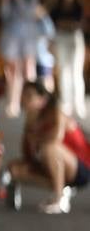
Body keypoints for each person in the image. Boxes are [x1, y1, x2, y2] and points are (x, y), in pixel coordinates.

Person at [10, 82, 90, 214]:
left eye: (29, 96)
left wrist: (35, 135)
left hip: (80, 168)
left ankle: (59, 199)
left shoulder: (57, 113)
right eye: (23, 96)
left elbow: (54, 140)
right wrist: (29, 131)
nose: (23, 100)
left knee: (49, 148)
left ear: (43, 100)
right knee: (15, 169)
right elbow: (28, 156)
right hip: (54, 166)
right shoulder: (31, 120)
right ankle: (63, 188)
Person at [0, 0, 47, 117]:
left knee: (28, 71)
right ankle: (13, 103)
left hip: (28, 39)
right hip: (12, 39)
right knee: (13, 72)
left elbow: (29, 13)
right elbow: (3, 14)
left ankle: (31, 101)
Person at [48, 0, 85, 121]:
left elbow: (78, 23)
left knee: (76, 71)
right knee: (64, 71)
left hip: (74, 38)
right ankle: (66, 103)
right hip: (60, 38)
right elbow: (53, 23)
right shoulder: (56, 7)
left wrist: (66, 24)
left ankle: (78, 104)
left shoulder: (78, 7)